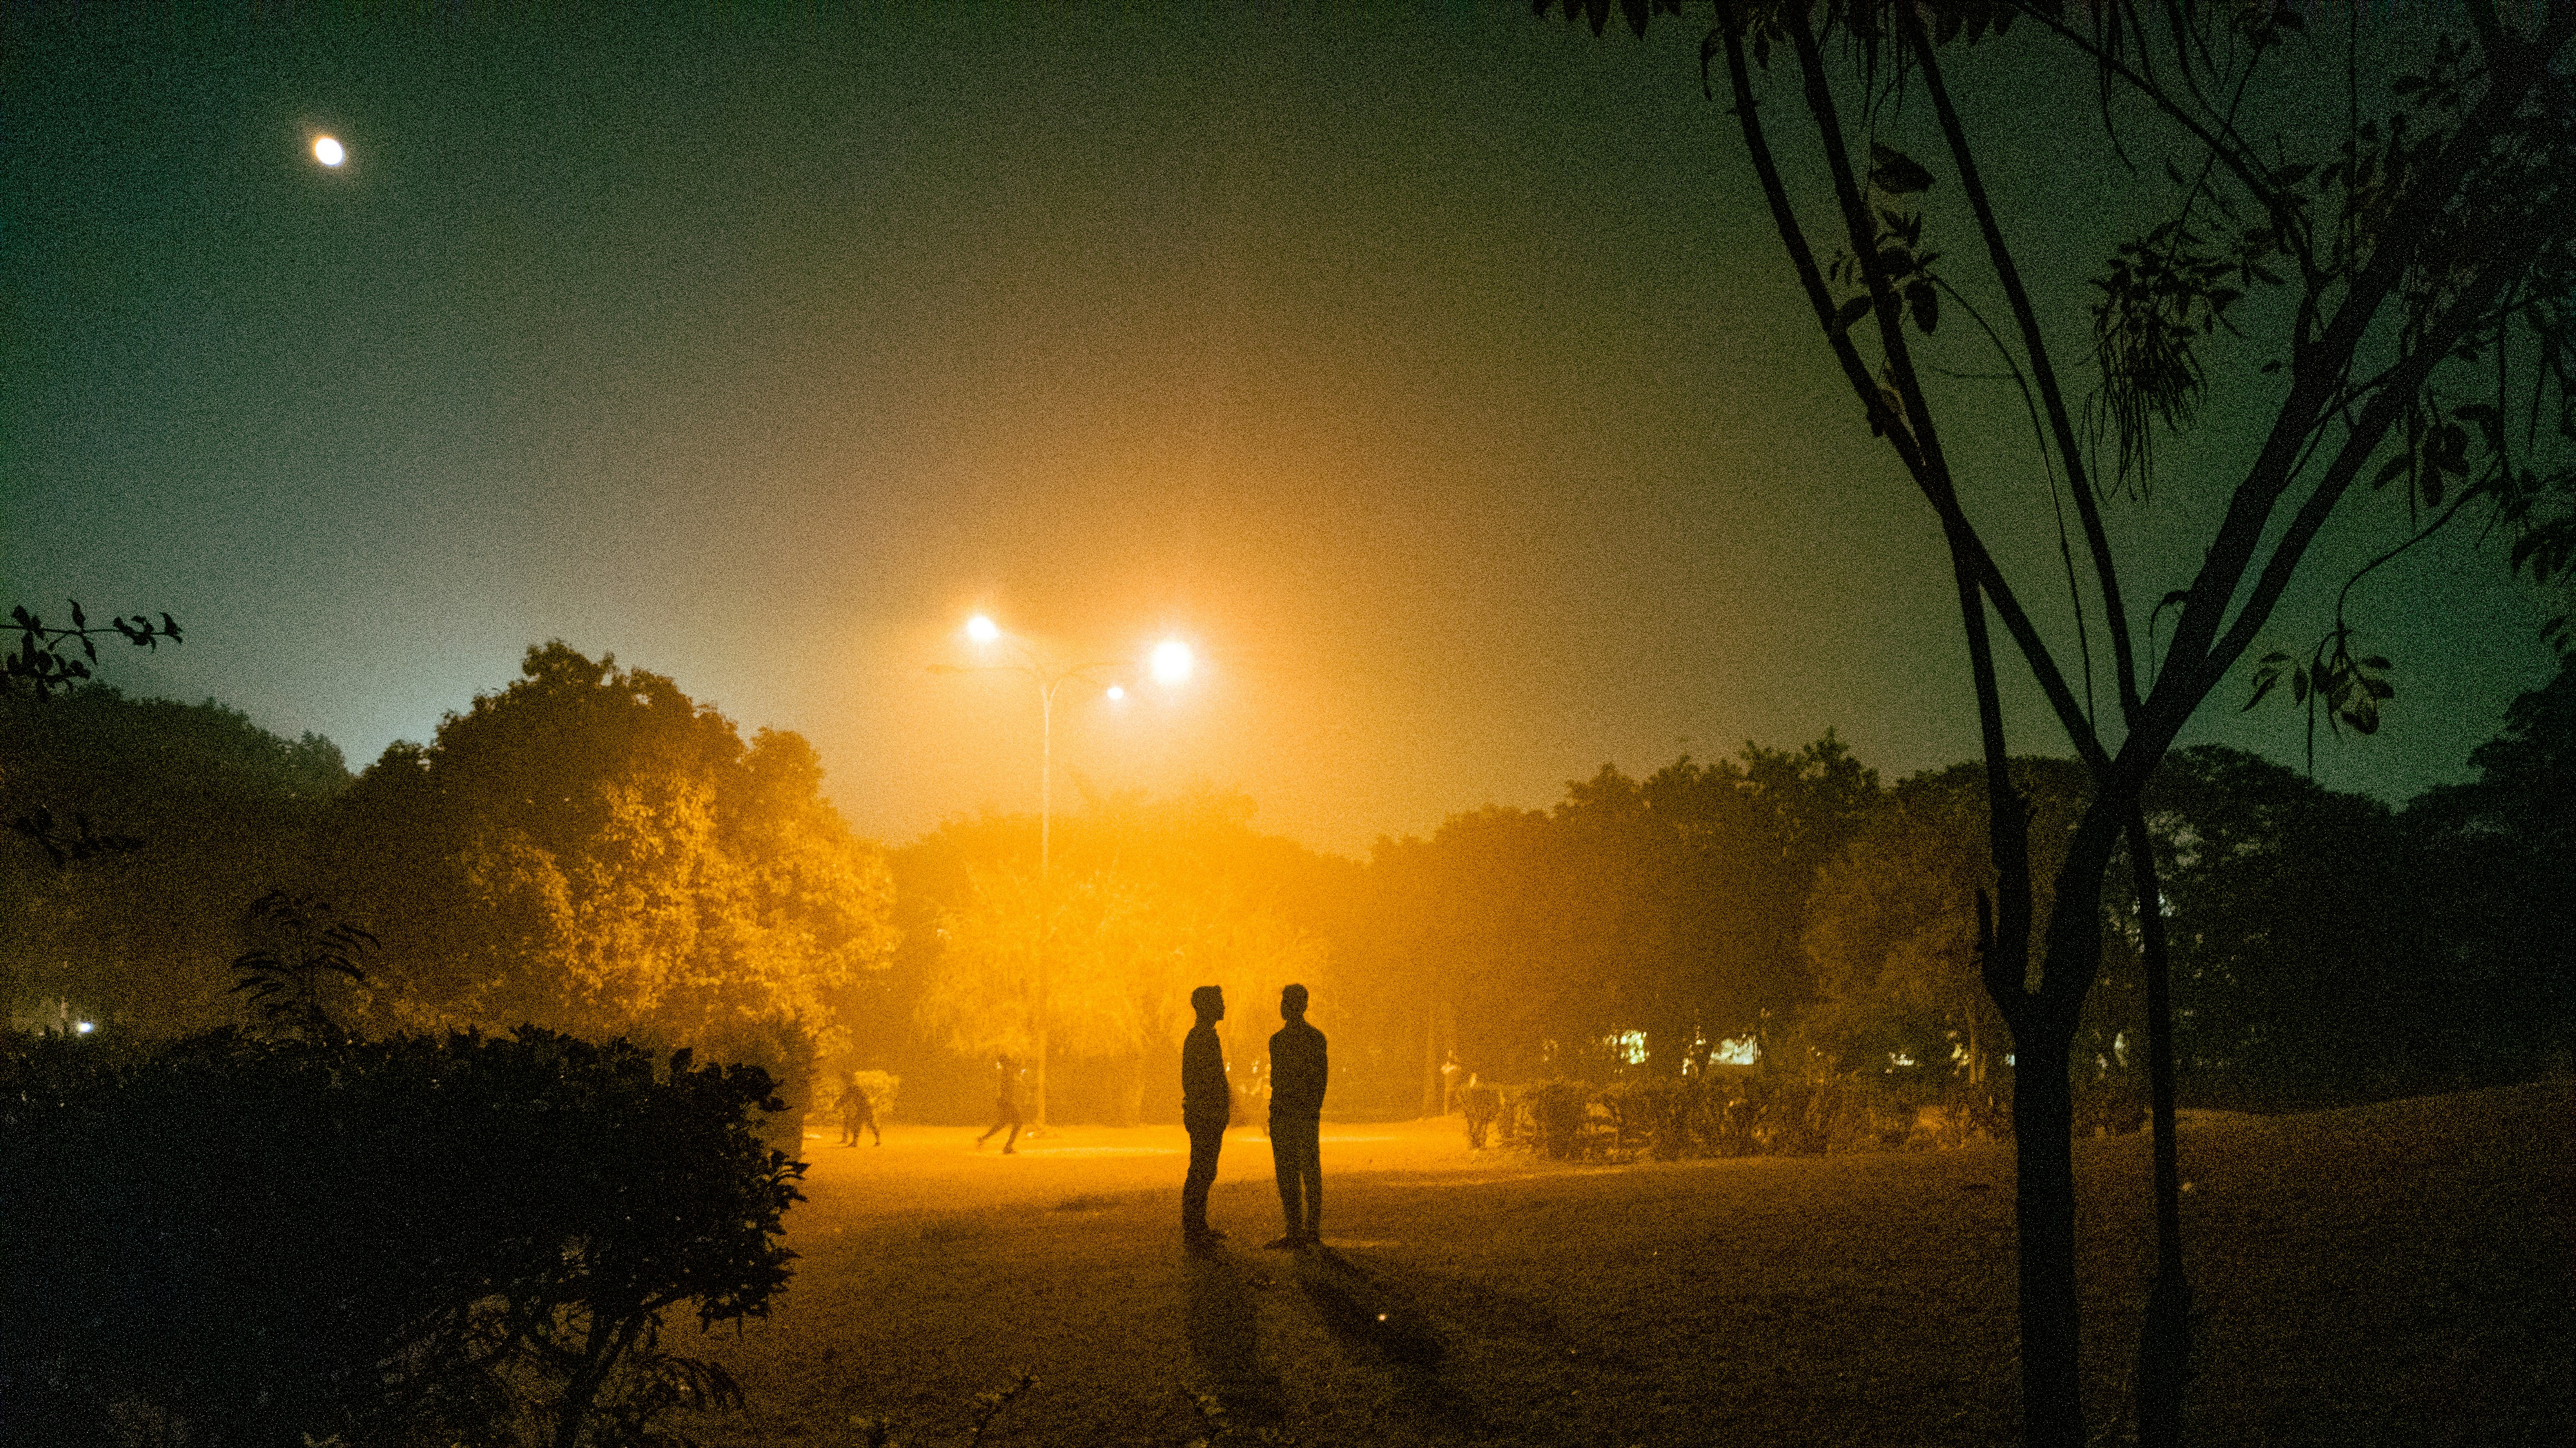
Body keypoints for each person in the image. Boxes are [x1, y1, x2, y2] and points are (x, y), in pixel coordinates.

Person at [1263, 983, 1326, 1249]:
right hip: (1301, 1111)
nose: (1282, 1007)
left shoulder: (1279, 1041)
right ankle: (1308, 1229)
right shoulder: (1315, 1038)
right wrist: (1313, 1107)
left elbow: (1281, 1080)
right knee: (1306, 1168)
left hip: (1289, 1111)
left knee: (1290, 1170)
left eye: (1285, 1002)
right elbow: (1320, 1078)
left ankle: (1297, 1228)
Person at [1180, 985, 1231, 1249]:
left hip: (1204, 1112)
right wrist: (1214, 1107)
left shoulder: (1202, 1036)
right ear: (1208, 1006)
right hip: (1206, 1114)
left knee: (1203, 1168)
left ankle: (1197, 1224)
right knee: (1202, 1168)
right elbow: (1202, 1079)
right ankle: (1194, 1226)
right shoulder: (1203, 1038)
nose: (1224, 1007)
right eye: (1220, 1002)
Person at [974, 1053, 1022, 1154]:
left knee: (1002, 1123)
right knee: (1018, 1123)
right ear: (1006, 1061)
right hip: (1007, 1101)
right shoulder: (1008, 1072)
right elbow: (1007, 1088)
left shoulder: (1006, 1071)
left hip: (1004, 1101)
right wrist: (1010, 1100)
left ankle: (983, 1139)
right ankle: (1008, 1147)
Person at [840, 1069, 880, 1147]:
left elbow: (845, 1098)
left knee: (863, 1124)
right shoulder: (855, 1086)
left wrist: (837, 1106)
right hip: (865, 1107)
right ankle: (878, 1141)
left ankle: (856, 1142)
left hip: (865, 1107)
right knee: (868, 1124)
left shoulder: (853, 1087)